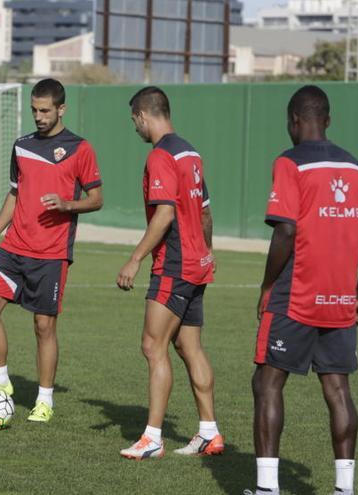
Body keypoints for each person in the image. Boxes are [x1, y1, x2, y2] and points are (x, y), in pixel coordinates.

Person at [248, 85, 358, 495]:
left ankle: (268, 489)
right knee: (338, 389)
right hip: (340, 296)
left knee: (267, 383)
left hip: (296, 293)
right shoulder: (356, 168)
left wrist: (268, 285)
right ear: (327, 120)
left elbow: (286, 230)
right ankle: (345, 489)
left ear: (293, 121)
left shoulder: (290, 163)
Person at [0, 78, 103, 423]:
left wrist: (66, 204)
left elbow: (96, 199)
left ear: (61, 109)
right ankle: (1, 383)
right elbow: (15, 194)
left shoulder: (80, 148)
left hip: (51, 252)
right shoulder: (22, 145)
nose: (39, 116)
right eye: (34, 110)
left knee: (44, 326)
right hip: (14, 247)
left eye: (45, 111)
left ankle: (44, 400)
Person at [116, 86, 224, 460]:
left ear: (144, 115)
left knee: (152, 345)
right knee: (188, 346)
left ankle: (153, 438)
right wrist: (207, 252)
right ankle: (209, 433)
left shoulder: (160, 156)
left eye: (134, 120)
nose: (135, 128)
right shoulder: (191, 153)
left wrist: (135, 259)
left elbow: (164, 215)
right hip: (196, 264)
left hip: (174, 265)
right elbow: (206, 211)